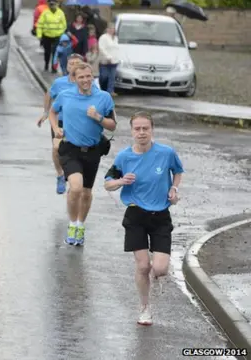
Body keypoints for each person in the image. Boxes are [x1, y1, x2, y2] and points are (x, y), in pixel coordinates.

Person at [103, 111, 183, 325]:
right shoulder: (124, 157)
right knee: (142, 266)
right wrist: (120, 181)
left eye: (145, 128)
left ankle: (157, 274)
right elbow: (107, 183)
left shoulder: (166, 153)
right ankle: (145, 307)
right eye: (137, 129)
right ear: (131, 131)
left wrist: (174, 188)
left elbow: (178, 171)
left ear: (151, 130)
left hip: (160, 216)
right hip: (135, 214)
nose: (141, 132)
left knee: (159, 269)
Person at [49, 62, 116, 246]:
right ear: (74, 79)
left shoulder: (104, 98)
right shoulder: (65, 95)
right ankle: (72, 225)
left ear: (92, 77)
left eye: (88, 76)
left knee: (86, 192)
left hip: (92, 151)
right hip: (70, 148)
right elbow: (53, 112)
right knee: (76, 188)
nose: (86, 80)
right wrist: (56, 129)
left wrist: (98, 117)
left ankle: (80, 225)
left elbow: (112, 125)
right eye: (81, 77)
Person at [37, 53, 85, 194]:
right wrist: (46, 112)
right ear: (67, 66)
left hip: (79, 122)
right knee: (56, 148)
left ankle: (75, 176)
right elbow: (48, 94)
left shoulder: (86, 83)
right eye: (71, 64)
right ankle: (60, 175)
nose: (74, 66)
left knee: (77, 150)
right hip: (61, 121)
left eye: (77, 63)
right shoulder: (60, 83)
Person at [35, 0, 67, 73]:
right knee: (47, 52)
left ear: (57, 4)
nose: (52, 5)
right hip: (47, 36)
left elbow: (64, 26)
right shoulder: (45, 13)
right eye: (50, 3)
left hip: (56, 36)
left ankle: (53, 67)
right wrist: (39, 35)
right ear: (48, 4)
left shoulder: (60, 13)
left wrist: (60, 34)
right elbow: (40, 24)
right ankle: (46, 63)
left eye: (54, 3)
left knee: (55, 52)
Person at [98, 22, 120, 96]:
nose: (111, 30)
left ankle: (110, 91)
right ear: (107, 29)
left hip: (114, 61)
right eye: (110, 28)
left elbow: (117, 49)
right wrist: (108, 57)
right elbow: (101, 48)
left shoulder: (116, 38)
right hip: (105, 61)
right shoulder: (103, 37)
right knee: (104, 76)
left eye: (113, 29)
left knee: (112, 77)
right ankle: (102, 90)